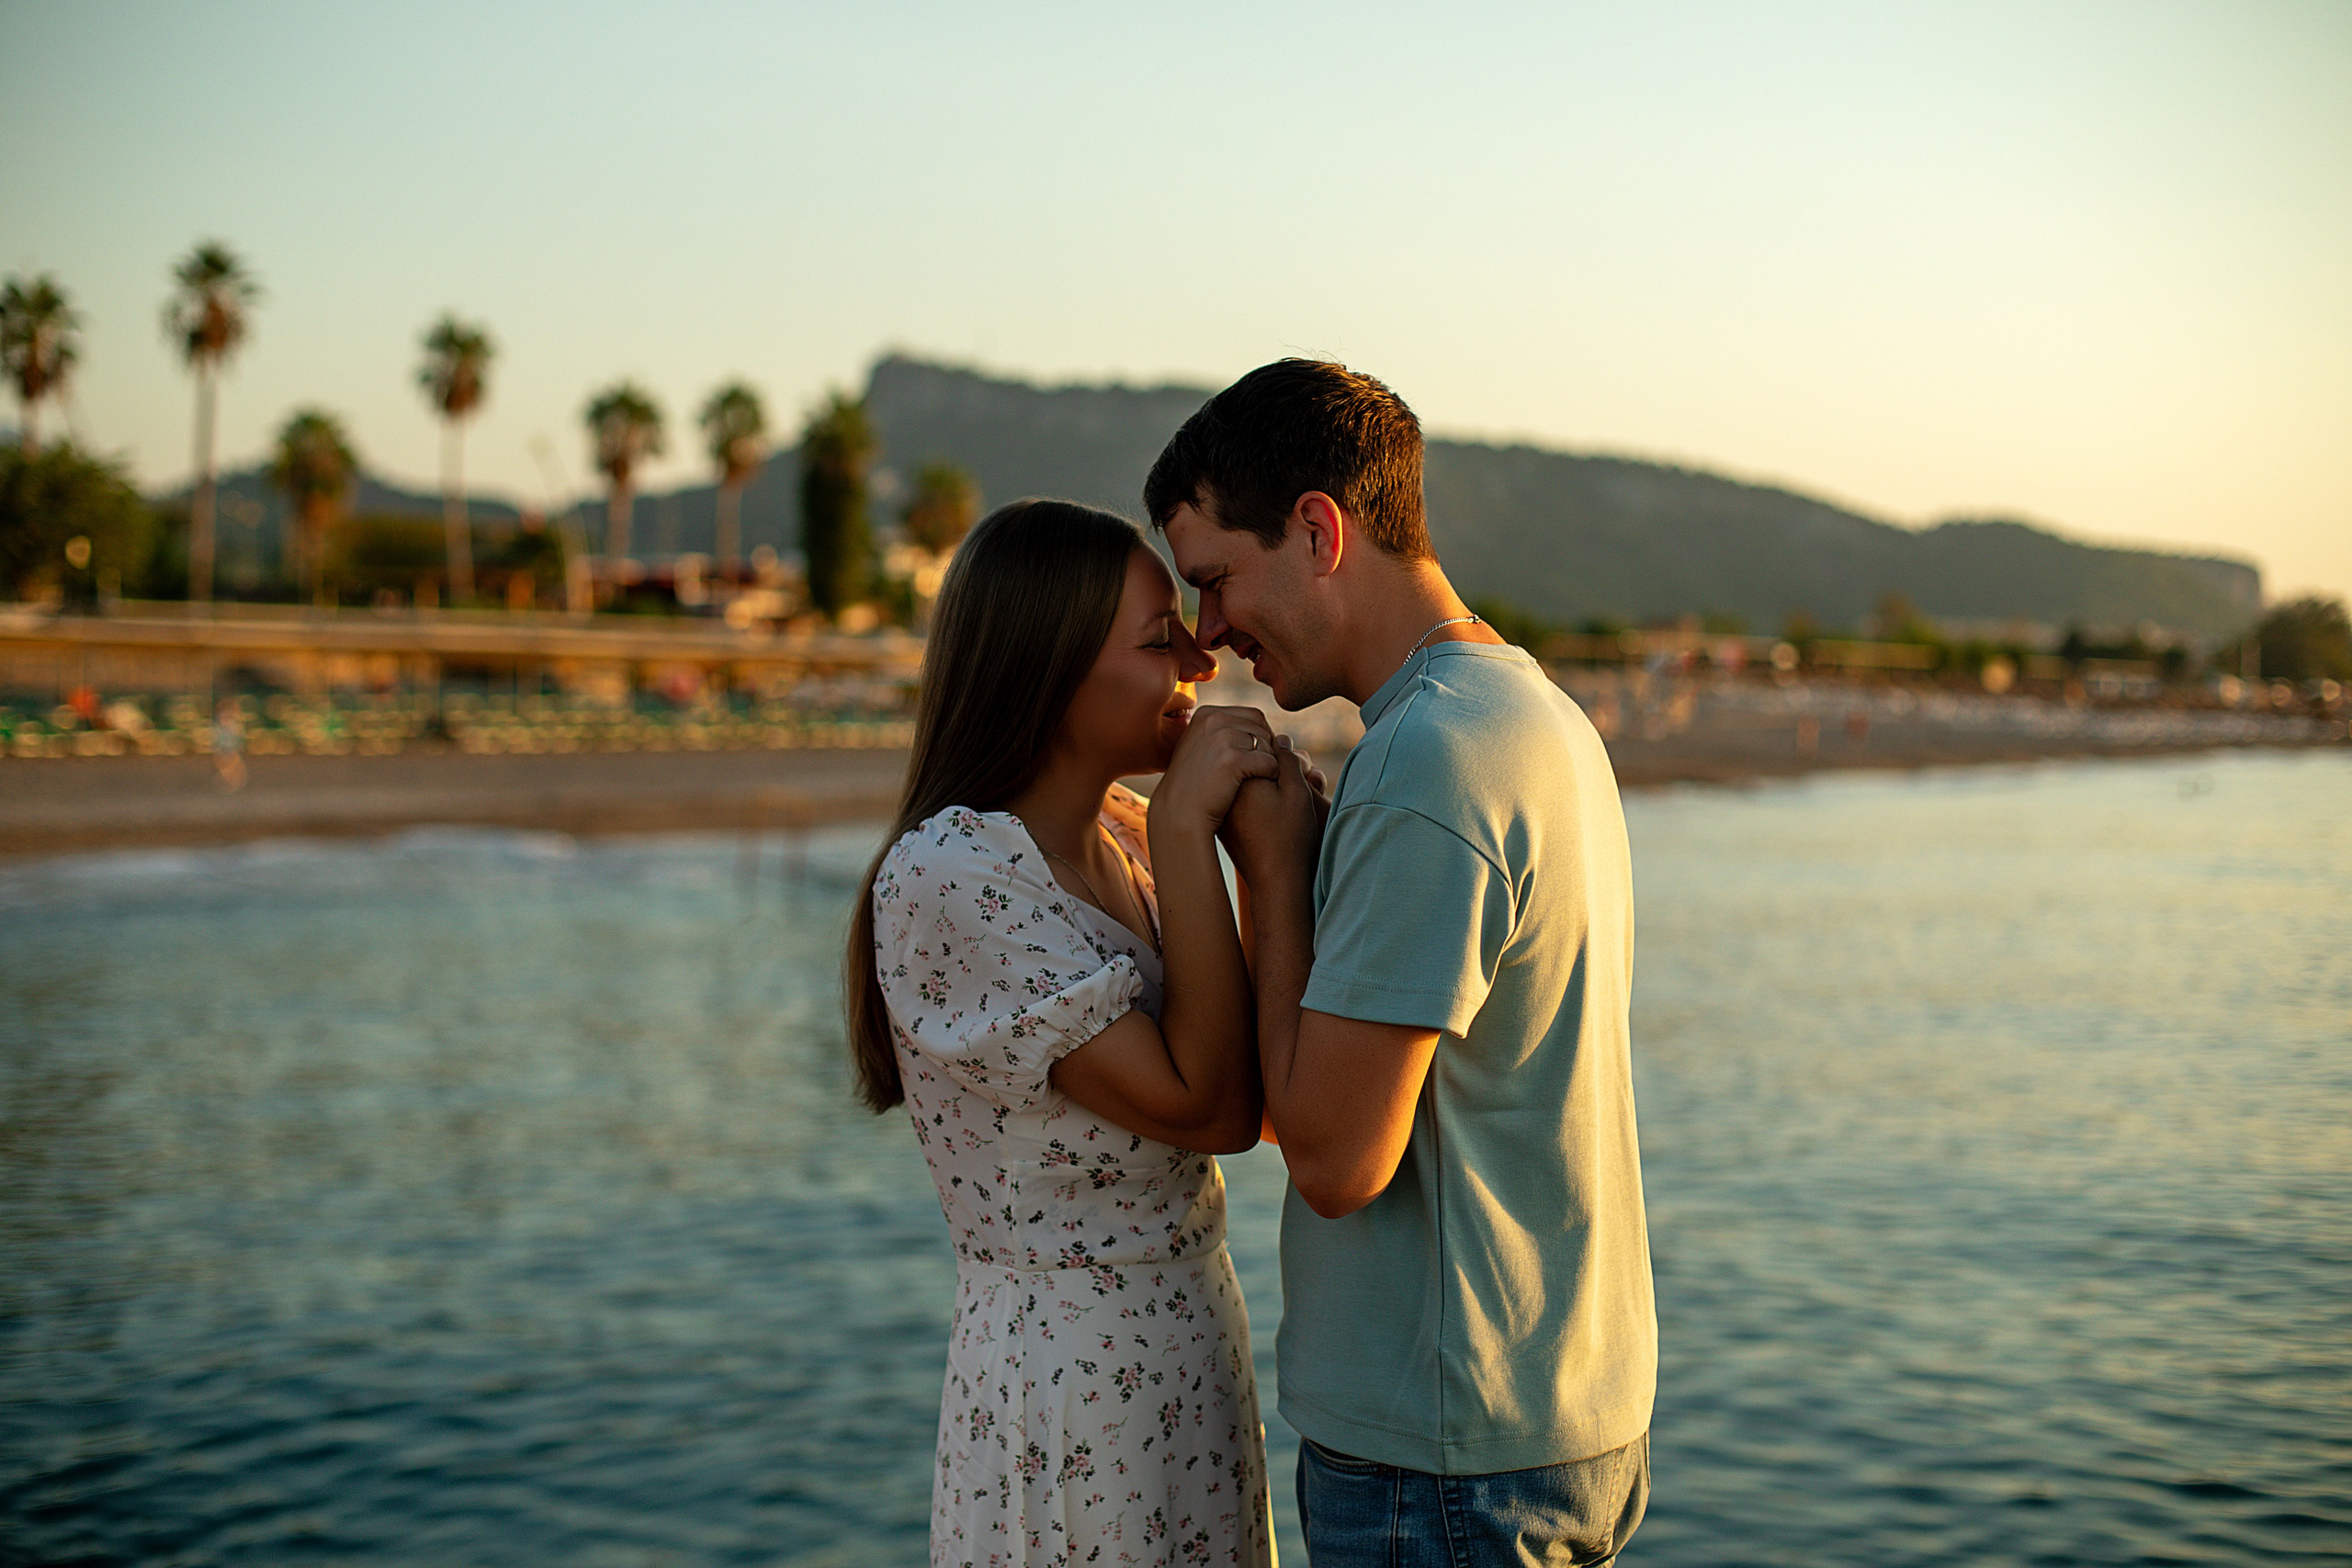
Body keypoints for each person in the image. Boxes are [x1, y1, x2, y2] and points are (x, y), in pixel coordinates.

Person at [1146, 360, 1657, 1565]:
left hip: (1445, 1453)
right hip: (1554, 1404)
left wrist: (1271, 870)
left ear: (1318, 529)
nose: (1208, 634)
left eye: (1215, 579)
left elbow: (1332, 1156)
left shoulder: (1427, 761)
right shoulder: (1534, 717)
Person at [848, 499, 1310, 1568]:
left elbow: (1266, 1081)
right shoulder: (951, 873)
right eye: (1161, 641)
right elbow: (1213, 1108)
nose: (1201, 657)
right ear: (1046, 673)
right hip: (1071, 1392)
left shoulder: (1124, 832)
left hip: (1188, 1351)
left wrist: (1262, 858)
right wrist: (1201, 834)